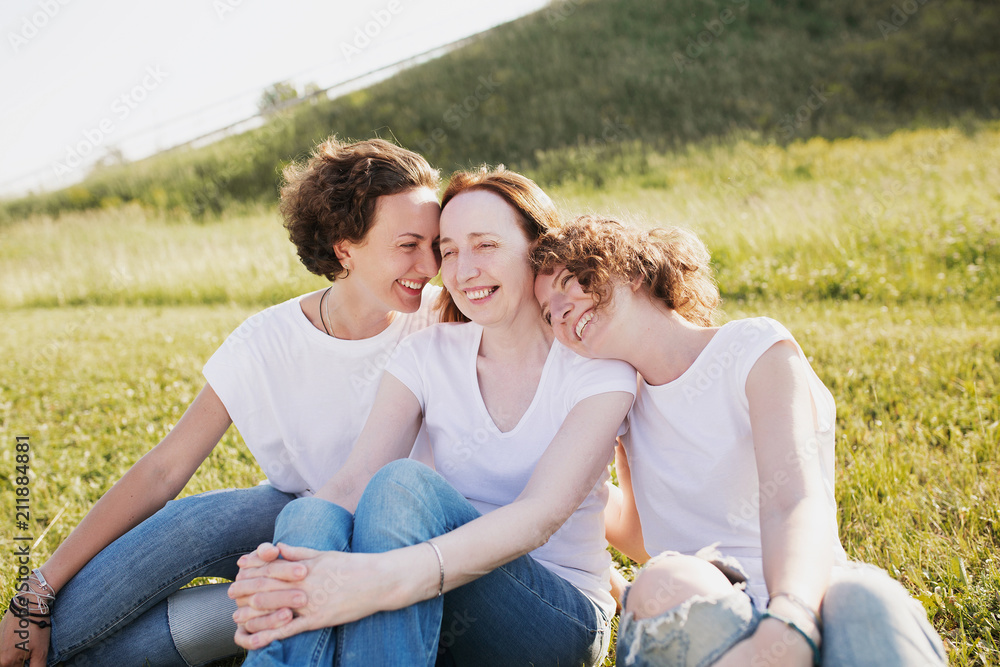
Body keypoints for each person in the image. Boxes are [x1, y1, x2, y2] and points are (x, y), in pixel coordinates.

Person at [0, 137, 443, 667]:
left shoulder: (446, 317)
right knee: (203, 520)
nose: (432, 265)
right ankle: (25, 632)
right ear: (345, 246)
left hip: (398, 541)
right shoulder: (266, 341)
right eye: (409, 244)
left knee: (136, 650)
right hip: (297, 527)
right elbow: (164, 469)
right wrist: (36, 592)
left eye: (437, 244)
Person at [225, 167, 637, 666]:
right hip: (438, 591)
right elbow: (351, 483)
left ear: (539, 248)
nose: (463, 272)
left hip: (554, 614)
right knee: (316, 509)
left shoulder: (596, 366)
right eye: (449, 251)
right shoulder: (427, 354)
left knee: (403, 485)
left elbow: (538, 517)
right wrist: (279, 566)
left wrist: (379, 579)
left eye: (485, 245)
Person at [532, 215, 948, 667]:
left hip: (810, 590)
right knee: (661, 582)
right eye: (547, 311)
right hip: (705, 604)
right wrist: (550, 485)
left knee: (863, 594)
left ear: (631, 270)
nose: (560, 310)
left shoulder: (752, 349)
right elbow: (644, 537)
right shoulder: (622, 407)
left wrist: (790, 619)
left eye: (572, 282)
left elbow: (792, 501)